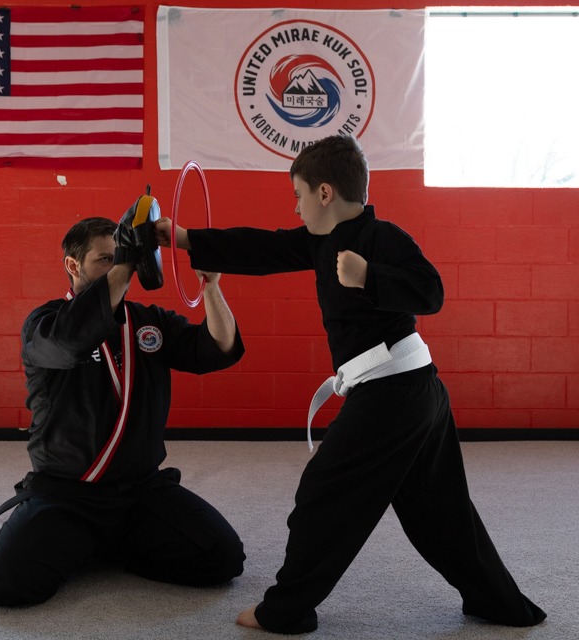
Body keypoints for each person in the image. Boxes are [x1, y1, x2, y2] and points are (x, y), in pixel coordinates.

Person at [155, 134, 547, 634]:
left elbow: (432, 293)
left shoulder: (384, 238)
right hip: (413, 394)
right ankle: (500, 604)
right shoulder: (318, 241)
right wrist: (183, 237)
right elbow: (263, 246)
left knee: (325, 492)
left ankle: (286, 610)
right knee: (437, 509)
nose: (295, 209)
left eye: (298, 196)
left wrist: (370, 277)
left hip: (397, 393)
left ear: (324, 193)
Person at [0, 215, 246, 607]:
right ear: (73, 265)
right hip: (67, 495)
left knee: (222, 559)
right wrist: (125, 260)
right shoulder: (45, 324)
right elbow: (71, 342)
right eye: (107, 259)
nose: (125, 267)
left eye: (123, 259)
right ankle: (87, 540)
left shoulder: (150, 322)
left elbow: (218, 348)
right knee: (6, 587)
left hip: (139, 492)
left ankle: (101, 547)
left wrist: (213, 286)